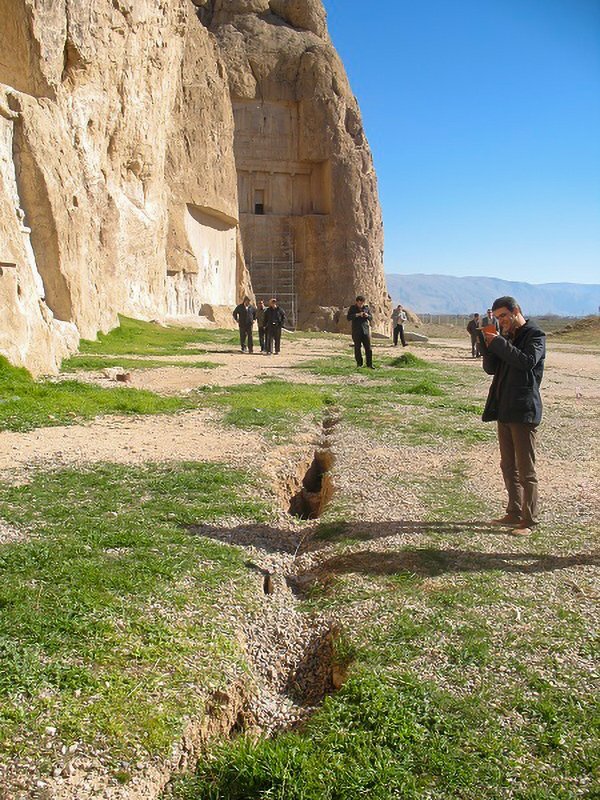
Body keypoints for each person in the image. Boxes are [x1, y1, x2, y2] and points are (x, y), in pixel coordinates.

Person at [480, 296, 545, 536]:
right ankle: (514, 511)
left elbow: (526, 362)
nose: (502, 322)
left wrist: (499, 343)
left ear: (516, 311)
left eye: (504, 316)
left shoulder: (535, 335)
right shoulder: (506, 337)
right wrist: (488, 344)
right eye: (497, 318)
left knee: (526, 470)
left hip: (523, 410)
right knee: (508, 466)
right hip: (505, 409)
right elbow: (491, 369)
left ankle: (530, 521)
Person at [347, 295, 373, 368]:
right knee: (357, 348)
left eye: (362, 303)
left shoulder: (366, 308)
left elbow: (371, 318)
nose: (361, 304)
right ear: (357, 302)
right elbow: (348, 317)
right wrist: (357, 314)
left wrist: (367, 315)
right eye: (359, 303)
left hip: (365, 331)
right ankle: (359, 364)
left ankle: (369, 364)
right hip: (356, 331)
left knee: (368, 348)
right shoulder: (352, 308)